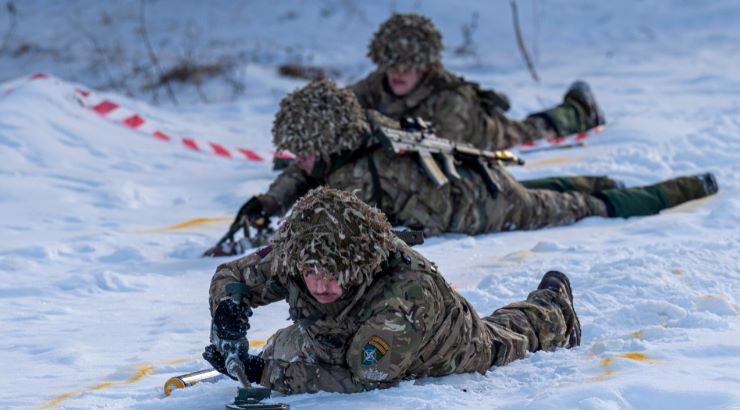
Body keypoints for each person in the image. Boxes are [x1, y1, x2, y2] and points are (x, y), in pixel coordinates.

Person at [204, 78, 717, 256]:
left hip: (479, 207)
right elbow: (308, 171)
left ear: (327, 138)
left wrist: (275, 236)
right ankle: (607, 181)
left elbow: (331, 229)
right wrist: (272, 199)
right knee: (549, 187)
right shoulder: (362, 127)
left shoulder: (353, 177)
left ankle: (684, 188)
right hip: (470, 176)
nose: (301, 159)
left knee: (583, 206)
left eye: (306, 149)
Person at [203, 187, 582, 394]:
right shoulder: (302, 251)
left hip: (442, 348)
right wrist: (228, 312)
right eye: (310, 273)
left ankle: (553, 306)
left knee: (508, 337)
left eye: (335, 274)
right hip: (334, 336)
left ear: (360, 264)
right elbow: (232, 275)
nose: (320, 284)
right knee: (288, 344)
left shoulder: (405, 294)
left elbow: (364, 379)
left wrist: (264, 373)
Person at [350, 13, 605, 152]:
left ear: (426, 66)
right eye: (393, 65)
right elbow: (341, 107)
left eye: (409, 67)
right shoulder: (376, 84)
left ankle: (579, 110)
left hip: (486, 136)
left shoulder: (450, 101)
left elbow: (434, 149)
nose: (398, 73)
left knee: (530, 130)